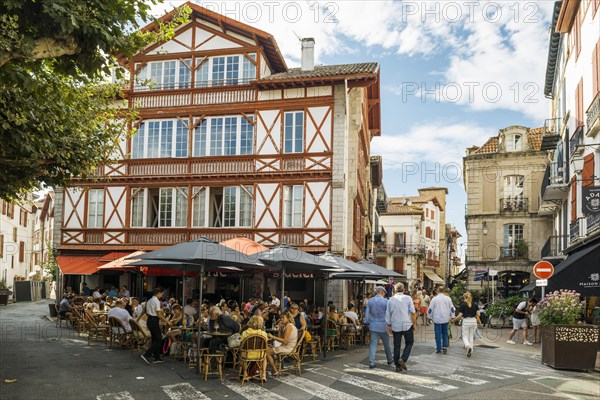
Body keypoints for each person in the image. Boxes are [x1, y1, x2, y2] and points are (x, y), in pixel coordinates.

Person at [386, 282, 416, 372]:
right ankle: (403, 358)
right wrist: (414, 324)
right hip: (406, 323)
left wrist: (389, 325)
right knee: (410, 342)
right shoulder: (408, 298)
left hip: (396, 324)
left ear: (395, 290)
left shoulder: (391, 299)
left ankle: (397, 366)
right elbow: (413, 312)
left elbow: (388, 313)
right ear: (403, 290)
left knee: (397, 345)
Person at [364, 286, 393, 368]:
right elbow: (388, 314)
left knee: (373, 344)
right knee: (386, 344)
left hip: (373, 325)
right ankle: (390, 359)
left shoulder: (370, 301)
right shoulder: (385, 301)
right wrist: (390, 324)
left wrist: (366, 321)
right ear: (383, 292)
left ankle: (372, 362)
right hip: (383, 325)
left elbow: (367, 314)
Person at [141, 287, 172, 364]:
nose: (162, 295)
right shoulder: (156, 301)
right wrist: (167, 321)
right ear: (158, 293)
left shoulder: (149, 300)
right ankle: (147, 354)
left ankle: (156, 357)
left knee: (155, 339)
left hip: (150, 320)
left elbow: (146, 312)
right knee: (158, 339)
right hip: (154, 320)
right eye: (161, 294)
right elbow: (159, 314)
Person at [265, 311, 298, 377]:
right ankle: (274, 368)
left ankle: (275, 370)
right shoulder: (287, 326)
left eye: (283, 318)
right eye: (280, 318)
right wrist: (280, 328)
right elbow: (280, 338)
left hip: (288, 348)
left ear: (288, 318)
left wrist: (273, 336)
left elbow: (285, 341)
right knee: (268, 348)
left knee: (266, 352)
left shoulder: (289, 326)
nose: (281, 319)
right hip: (286, 346)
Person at [453, 291, 481, 357]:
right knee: (471, 336)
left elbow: (460, 316)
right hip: (473, 321)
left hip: (466, 321)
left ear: (464, 297)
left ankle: (467, 346)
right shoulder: (475, 304)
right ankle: (470, 349)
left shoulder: (462, 305)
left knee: (464, 336)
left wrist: (454, 320)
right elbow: (478, 314)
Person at [241, 315, 269, 382]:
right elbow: (266, 347)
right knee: (265, 357)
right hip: (259, 355)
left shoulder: (245, 333)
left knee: (242, 356)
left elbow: (241, 345)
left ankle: (245, 374)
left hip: (247, 355)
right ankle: (263, 375)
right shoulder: (263, 334)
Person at [428, 286, 455, 354]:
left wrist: (429, 317)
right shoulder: (448, 298)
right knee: (445, 333)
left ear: (437, 290)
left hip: (437, 319)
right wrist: (452, 316)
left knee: (438, 333)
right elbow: (452, 308)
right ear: (443, 291)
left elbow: (430, 308)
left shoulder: (434, 299)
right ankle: (444, 346)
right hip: (445, 318)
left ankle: (439, 348)